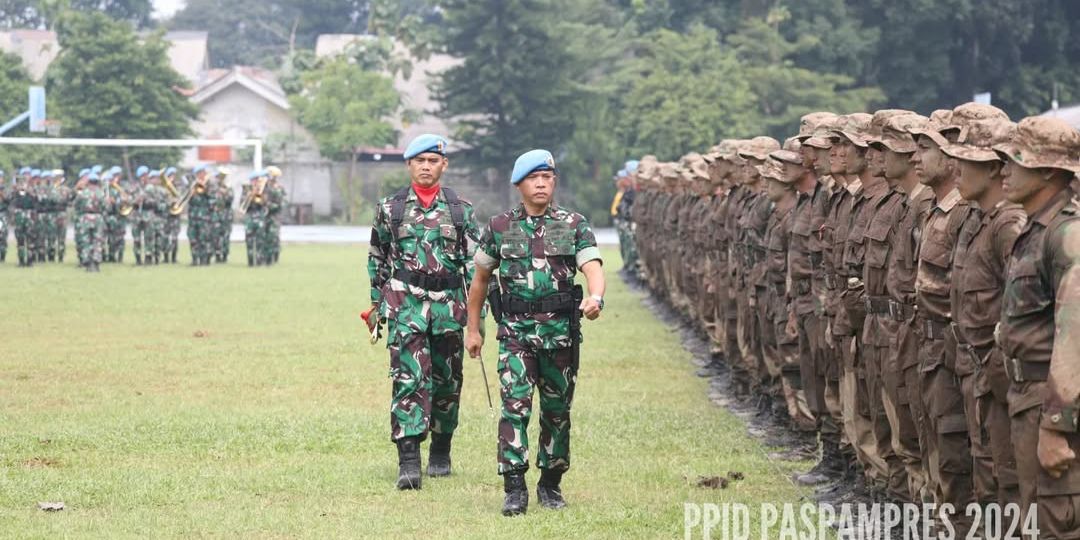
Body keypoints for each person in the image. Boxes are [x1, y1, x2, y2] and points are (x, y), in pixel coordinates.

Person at [465, 149, 605, 516]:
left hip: (560, 336)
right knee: (515, 408)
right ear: (519, 184)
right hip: (515, 336)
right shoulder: (499, 227)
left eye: (547, 177)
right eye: (533, 178)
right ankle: (514, 487)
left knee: (557, 411)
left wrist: (596, 297)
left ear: (554, 181)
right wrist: (473, 329)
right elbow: (479, 282)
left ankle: (550, 483)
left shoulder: (573, 224)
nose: (541, 183)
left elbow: (591, 264)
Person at [366, 134, 481, 491]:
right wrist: (376, 306)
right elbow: (377, 257)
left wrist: (477, 320)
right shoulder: (391, 208)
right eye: (420, 161)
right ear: (409, 165)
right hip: (406, 307)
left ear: (444, 165)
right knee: (409, 380)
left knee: (447, 383)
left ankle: (441, 451)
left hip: (449, 308)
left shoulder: (460, 209)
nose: (427, 166)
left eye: (433, 160)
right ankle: (409, 460)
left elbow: (477, 267)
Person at [994, 116, 1080, 538]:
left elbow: (1074, 338)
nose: (1004, 170)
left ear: (1048, 169)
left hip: (1052, 408)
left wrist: (1056, 427)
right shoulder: (1033, 230)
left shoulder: (1067, 234)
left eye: (1015, 159)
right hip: (1026, 400)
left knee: (1055, 523)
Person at [940, 107, 1024, 512]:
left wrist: (997, 370)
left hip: (999, 376)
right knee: (984, 474)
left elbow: (1022, 308)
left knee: (1005, 481)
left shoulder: (1008, 225)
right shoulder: (976, 218)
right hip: (972, 368)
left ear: (994, 168)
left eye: (967, 161)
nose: (956, 169)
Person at [74, 172, 108, 272]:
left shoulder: (82, 193)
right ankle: (96, 263)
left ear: (88, 182)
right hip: (98, 218)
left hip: (85, 218)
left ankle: (87, 263)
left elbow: (77, 206)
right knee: (97, 241)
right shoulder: (101, 193)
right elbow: (106, 207)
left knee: (86, 241)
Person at [187, 165, 213, 266]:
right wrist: (191, 193)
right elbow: (185, 199)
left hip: (204, 216)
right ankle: (194, 259)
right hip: (193, 216)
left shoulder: (210, 184)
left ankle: (204, 260)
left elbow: (214, 199)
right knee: (193, 238)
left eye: (202, 173)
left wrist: (205, 189)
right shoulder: (191, 185)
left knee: (204, 238)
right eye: (198, 174)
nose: (200, 175)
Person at [242, 170, 268, 266]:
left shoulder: (263, 190)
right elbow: (242, 204)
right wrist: (249, 195)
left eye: (257, 180)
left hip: (260, 217)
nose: (256, 182)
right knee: (249, 240)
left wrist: (260, 195)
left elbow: (265, 204)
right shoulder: (246, 190)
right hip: (249, 218)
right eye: (254, 180)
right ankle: (250, 261)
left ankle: (260, 261)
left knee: (260, 240)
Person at [264, 166, 286, 264]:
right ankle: (266, 257)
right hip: (264, 216)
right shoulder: (263, 187)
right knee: (264, 236)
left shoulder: (279, 188)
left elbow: (283, 202)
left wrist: (272, 205)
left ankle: (274, 254)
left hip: (275, 216)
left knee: (274, 236)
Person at [161, 167, 183, 264]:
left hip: (175, 216)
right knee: (165, 237)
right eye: (170, 175)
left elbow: (180, 198)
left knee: (174, 238)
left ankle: (174, 258)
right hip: (166, 215)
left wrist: (175, 201)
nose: (172, 177)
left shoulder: (178, 186)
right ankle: (165, 257)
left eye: (173, 175)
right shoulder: (163, 188)